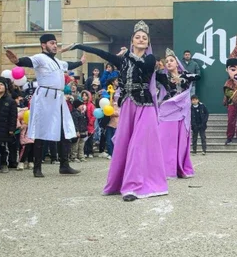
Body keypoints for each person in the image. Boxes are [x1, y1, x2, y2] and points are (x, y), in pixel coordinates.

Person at [64, 21, 168, 201]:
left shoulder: (151, 59)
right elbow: (101, 53)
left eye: (144, 38)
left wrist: (128, 54)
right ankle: (119, 183)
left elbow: (145, 67)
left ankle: (133, 187)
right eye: (138, 37)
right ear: (132, 40)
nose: (141, 40)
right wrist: (78, 45)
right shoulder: (123, 60)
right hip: (128, 106)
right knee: (123, 145)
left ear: (148, 41)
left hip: (145, 107)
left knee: (137, 145)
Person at [5, 34, 83, 177]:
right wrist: (17, 61)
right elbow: (27, 61)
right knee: (40, 131)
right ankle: (37, 168)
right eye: (52, 43)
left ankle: (64, 165)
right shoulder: (40, 58)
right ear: (43, 45)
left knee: (64, 130)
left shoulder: (58, 62)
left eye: (56, 43)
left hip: (58, 98)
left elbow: (69, 64)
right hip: (45, 97)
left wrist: (81, 62)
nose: (55, 45)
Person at [156, 48, 199, 179]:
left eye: (171, 60)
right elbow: (152, 74)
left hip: (181, 113)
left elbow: (198, 76)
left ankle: (180, 168)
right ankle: (166, 170)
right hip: (168, 112)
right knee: (166, 141)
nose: (169, 63)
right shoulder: (163, 76)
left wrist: (182, 78)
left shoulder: (185, 75)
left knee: (180, 142)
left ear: (177, 62)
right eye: (167, 61)